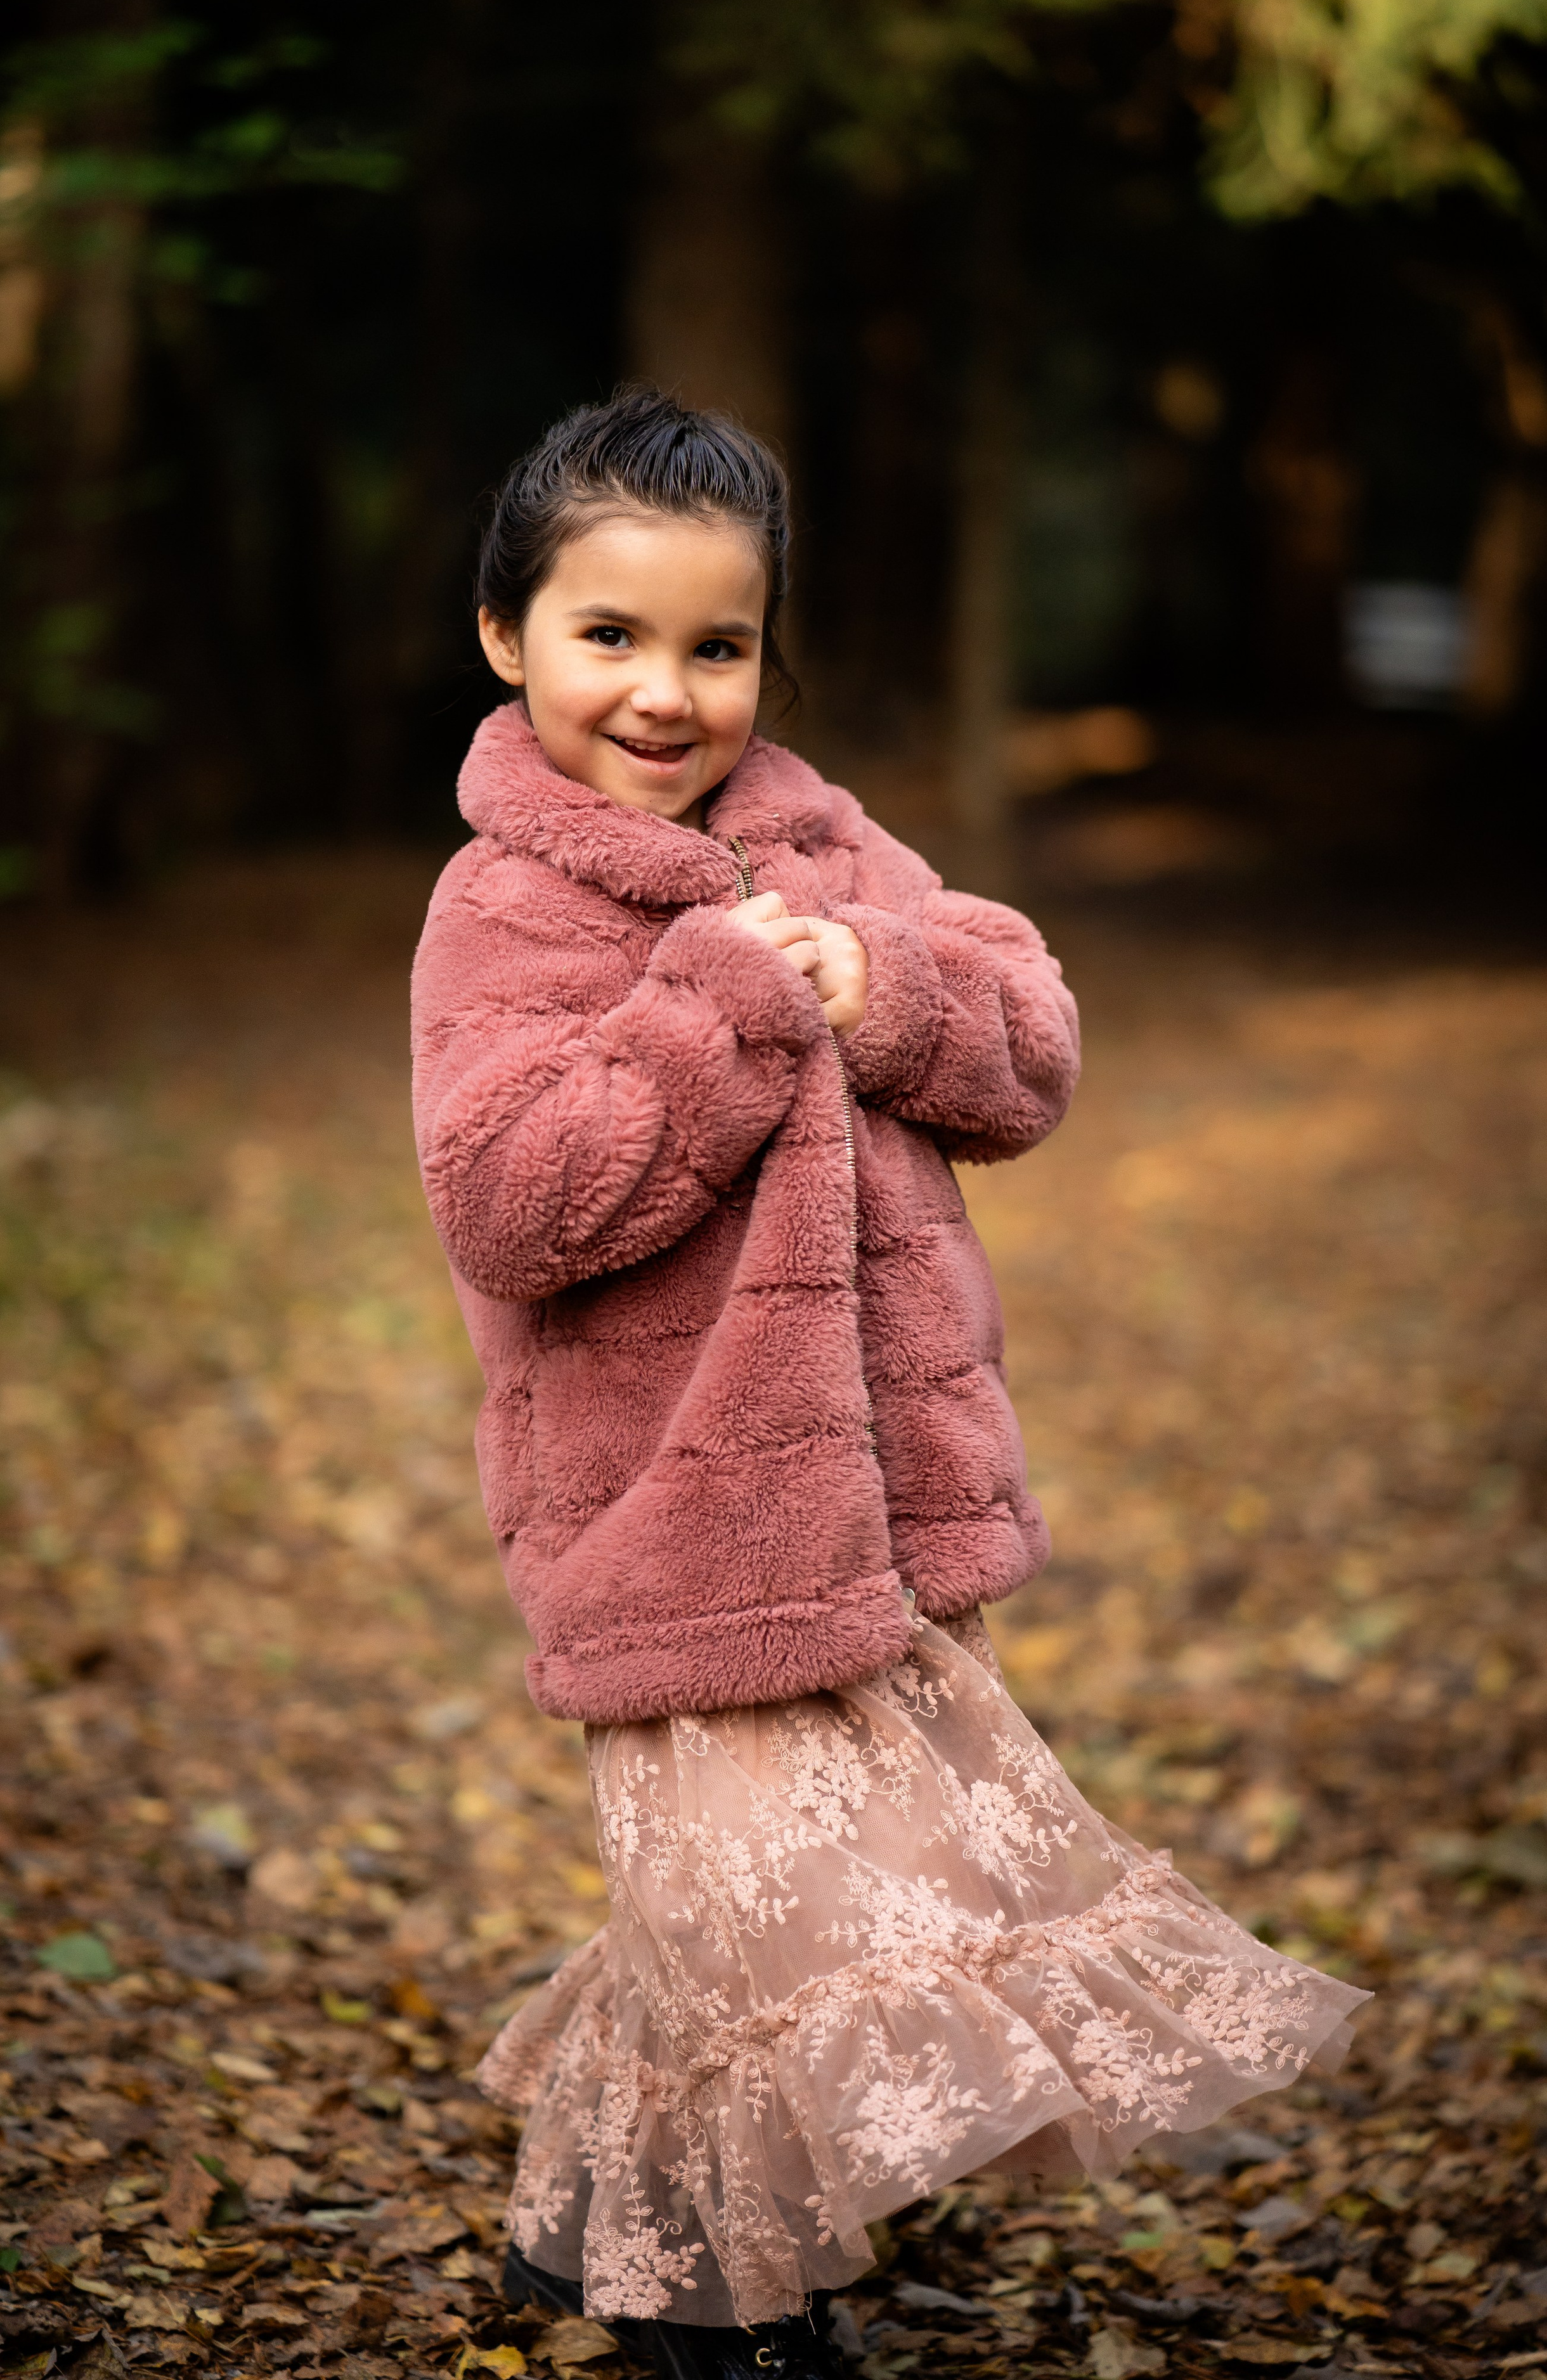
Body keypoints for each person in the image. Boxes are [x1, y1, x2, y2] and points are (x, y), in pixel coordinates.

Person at [410, 389, 1368, 2380]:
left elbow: (1023, 1048)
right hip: (668, 1500)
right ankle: (716, 2299)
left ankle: (600, 2213)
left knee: (811, 1878)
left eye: (717, 644)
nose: (667, 694)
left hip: (867, 1486)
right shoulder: (507, 908)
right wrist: (730, 1011)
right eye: (611, 637)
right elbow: (513, 1200)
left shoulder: (818, 838)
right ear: (508, 636)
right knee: (756, 1908)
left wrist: (887, 983)